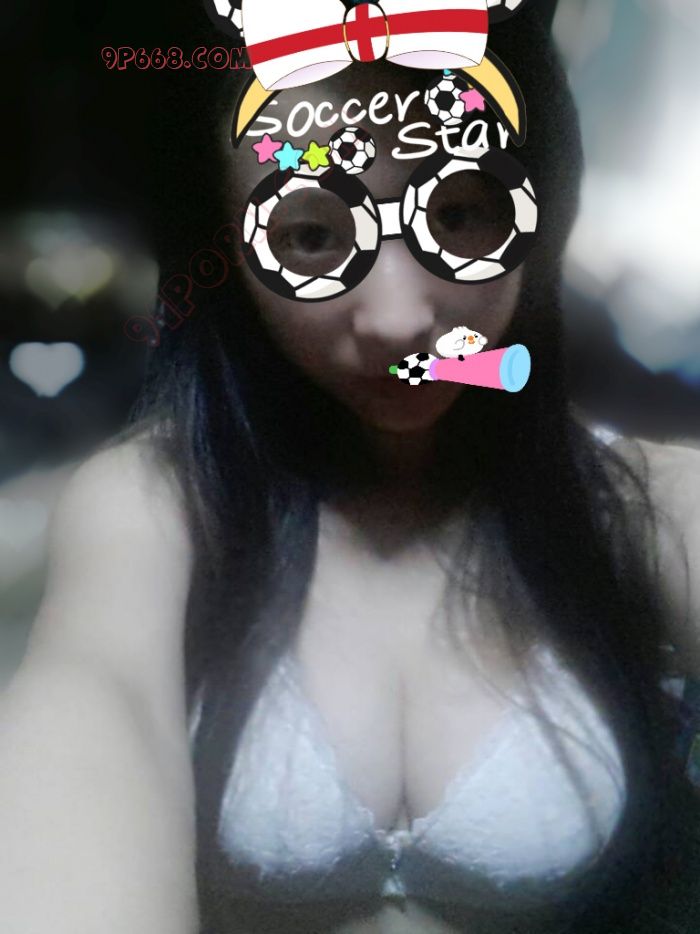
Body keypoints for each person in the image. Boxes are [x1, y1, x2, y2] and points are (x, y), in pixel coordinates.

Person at [2, 7, 699, 934]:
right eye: (310, 236)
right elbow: (85, 723)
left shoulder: (653, 510)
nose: (397, 320)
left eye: (461, 214)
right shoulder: (154, 510)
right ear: (225, 250)